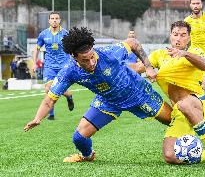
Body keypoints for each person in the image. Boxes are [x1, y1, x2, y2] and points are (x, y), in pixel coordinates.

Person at [24, 27, 173, 163]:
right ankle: (87, 156)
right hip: (108, 101)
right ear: (74, 57)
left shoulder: (110, 52)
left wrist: (148, 67)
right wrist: (38, 118)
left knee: (174, 120)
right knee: (79, 138)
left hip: (139, 93)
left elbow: (133, 42)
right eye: (85, 60)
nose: (91, 62)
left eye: (92, 57)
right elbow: (50, 99)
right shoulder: (69, 71)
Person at [132, 21, 205, 168]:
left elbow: (204, 64)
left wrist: (184, 53)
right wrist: (114, 65)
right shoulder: (159, 55)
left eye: (183, 35)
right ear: (170, 36)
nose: (178, 38)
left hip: (200, 104)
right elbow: (136, 68)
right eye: (175, 34)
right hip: (180, 112)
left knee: (184, 103)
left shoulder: (195, 52)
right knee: (170, 156)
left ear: (189, 38)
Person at [32, 11, 74, 120]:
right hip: (49, 66)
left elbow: (72, 49)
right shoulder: (43, 34)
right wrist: (34, 63)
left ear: (60, 20)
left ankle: (69, 96)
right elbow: (36, 49)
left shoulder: (66, 34)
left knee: (59, 88)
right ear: (49, 21)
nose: (54, 20)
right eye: (52, 18)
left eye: (57, 18)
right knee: (48, 89)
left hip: (63, 65)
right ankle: (51, 114)